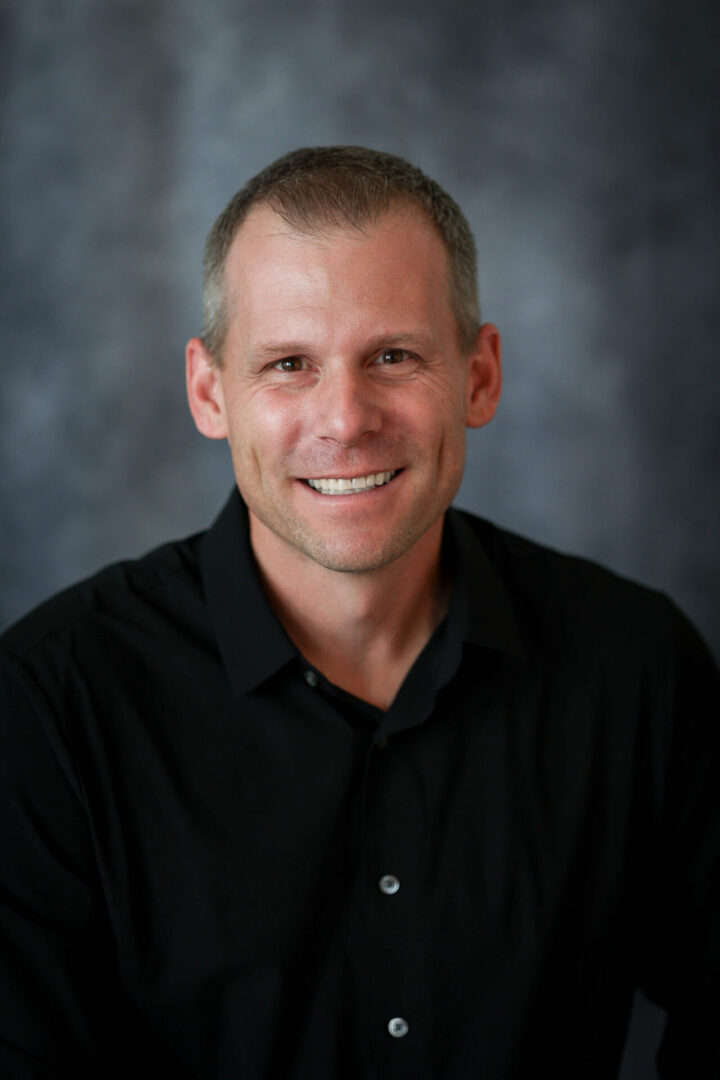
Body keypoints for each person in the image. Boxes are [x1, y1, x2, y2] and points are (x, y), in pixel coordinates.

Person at [0, 146, 718, 1080]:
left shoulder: (637, 671)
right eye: (289, 363)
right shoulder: (49, 711)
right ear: (211, 392)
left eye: (393, 356)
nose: (344, 418)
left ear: (480, 376)